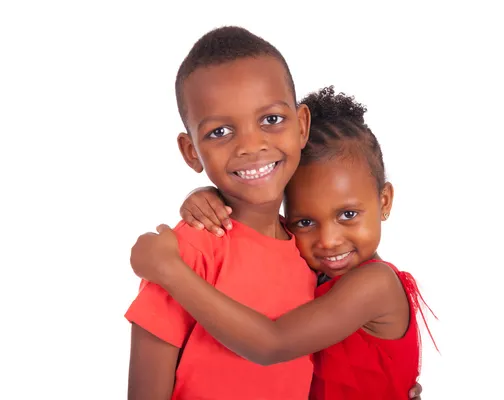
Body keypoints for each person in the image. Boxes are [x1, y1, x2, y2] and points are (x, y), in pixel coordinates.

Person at [131, 87, 434, 399]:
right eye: (305, 222)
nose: (328, 241)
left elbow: (272, 343)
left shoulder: (375, 284)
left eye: (348, 214)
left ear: (384, 201)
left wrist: (170, 271)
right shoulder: (310, 271)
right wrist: (211, 197)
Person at [125, 26, 317, 400]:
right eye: (220, 131)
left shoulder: (311, 249)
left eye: (271, 120)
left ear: (302, 126)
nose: (251, 145)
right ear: (191, 151)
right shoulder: (185, 252)